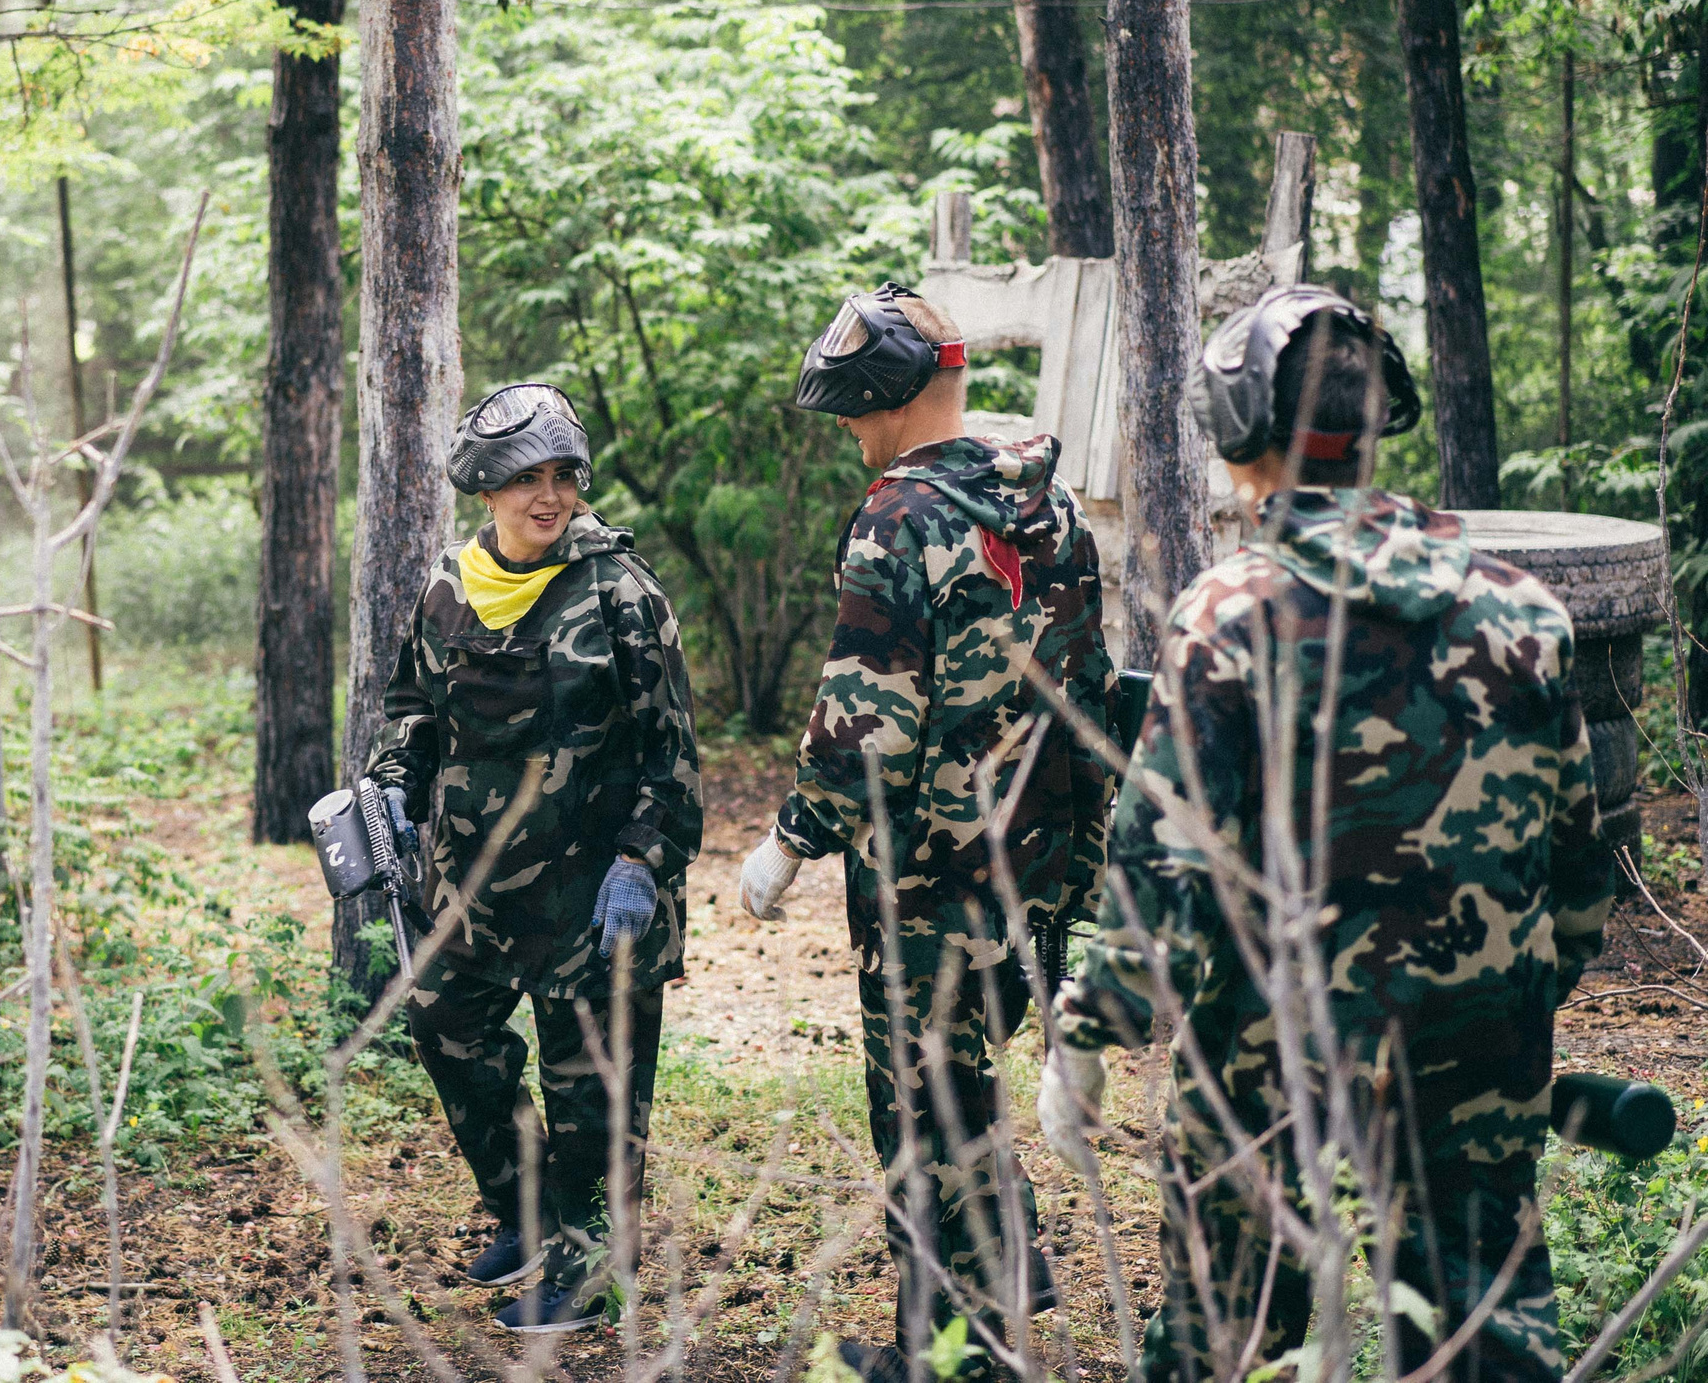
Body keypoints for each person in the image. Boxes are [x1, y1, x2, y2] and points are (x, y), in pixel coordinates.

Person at [1040, 286, 1614, 1383]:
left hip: (1269, 1072)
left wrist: (1089, 1032)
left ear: (1241, 427)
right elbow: (1579, 875)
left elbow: (1160, 874)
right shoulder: (1525, 613)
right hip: (1478, 1057)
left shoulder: (1232, 616)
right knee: (1483, 1332)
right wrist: (1497, 1011)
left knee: (1229, 1334)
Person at [737, 284, 1116, 1375]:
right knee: (965, 1086)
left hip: (930, 881)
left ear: (893, 397)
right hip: (1035, 860)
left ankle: (956, 1355)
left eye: (854, 410)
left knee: (920, 1116)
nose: (850, 432)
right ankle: (976, 1300)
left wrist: (790, 842)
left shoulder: (899, 518)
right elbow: (1089, 688)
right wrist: (1080, 860)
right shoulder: (1047, 503)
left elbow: (866, 727)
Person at [360, 381, 703, 1335]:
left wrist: (642, 861)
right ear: (486, 487)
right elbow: (412, 709)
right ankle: (531, 1213)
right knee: (445, 1030)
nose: (548, 496)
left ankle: (590, 1273)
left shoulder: (622, 592)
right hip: (471, 888)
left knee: (591, 1092)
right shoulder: (449, 584)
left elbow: (672, 754)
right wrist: (393, 781)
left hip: (595, 895)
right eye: (525, 479)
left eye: (562, 476)